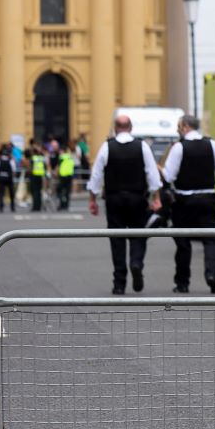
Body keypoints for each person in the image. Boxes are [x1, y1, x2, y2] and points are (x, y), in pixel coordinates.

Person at [88, 116, 163, 295]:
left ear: (115, 128)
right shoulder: (142, 146)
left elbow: (96, 175)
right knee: (138, 235)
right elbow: (152, 174)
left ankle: (119, 283)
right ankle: (136, 263)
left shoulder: (107, 147)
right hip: (137, 198)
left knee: (117, 239)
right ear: (130, 127)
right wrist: (156, 197)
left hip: (114, 199)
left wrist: (93, 199)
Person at [162, 115, 215, 294]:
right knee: (210, 240)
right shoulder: (212, 145)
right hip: (208, 199)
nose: (178, 130)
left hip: (184, 201)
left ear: (185, 126)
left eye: (179, 126)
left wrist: (159, 169)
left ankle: (182, 282)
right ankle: (212, 276)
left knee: (183, 243)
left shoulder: (179, 147)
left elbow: (169, 176)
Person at [0, 144, 15, 212]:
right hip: (9, 178)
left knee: (1, 194)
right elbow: (13, 170)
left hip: (1, 178)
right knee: (11, 193)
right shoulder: (11, 160)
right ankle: (12, 207)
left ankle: (1, 207)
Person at [56, 142, 76, 210]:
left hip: (63, 176)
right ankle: (66, 205)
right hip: (69, 175)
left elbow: (58, 166)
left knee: (60, 190)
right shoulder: (70, 156)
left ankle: (61, 204)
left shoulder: (62, 157)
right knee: (67, 191)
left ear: (62, 150)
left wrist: (56, 173)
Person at [28, 142, 46, 212]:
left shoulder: (33, 158)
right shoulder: (41, 158)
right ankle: (39, 206)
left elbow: (30, 167)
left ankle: (35, 207)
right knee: (39, 192)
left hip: (34, 176)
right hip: (40, 176)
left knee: (34, 192)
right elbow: (45, 167)